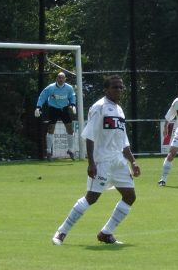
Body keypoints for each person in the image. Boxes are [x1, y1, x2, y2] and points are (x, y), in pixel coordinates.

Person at [52, 75, 140, 246]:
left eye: (121, 87)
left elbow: (124, 141)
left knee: (130, 196)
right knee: (91, 198)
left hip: (118, 162)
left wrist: (133, 162)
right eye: (115, 87)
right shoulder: (99, 107)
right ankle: (61, 232)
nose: (119, 90)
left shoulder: (119, 110)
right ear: (106, 89)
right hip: (102, 162)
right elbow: (90, 136)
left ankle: (106, 233)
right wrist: (91, 162)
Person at [35, 72, 77, 160]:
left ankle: (70, 150)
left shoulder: (69, 88)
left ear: (65, 79)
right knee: (51, 129)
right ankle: (49, 151)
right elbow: (42, 96)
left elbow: (72, 96)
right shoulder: (50, 88)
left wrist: (73, 105)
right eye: (59, 77)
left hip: (64, 109)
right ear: (56, 79)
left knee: (70, 129)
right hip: (53, 109)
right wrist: (38, 107)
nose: (61, 79)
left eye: (62, 78)